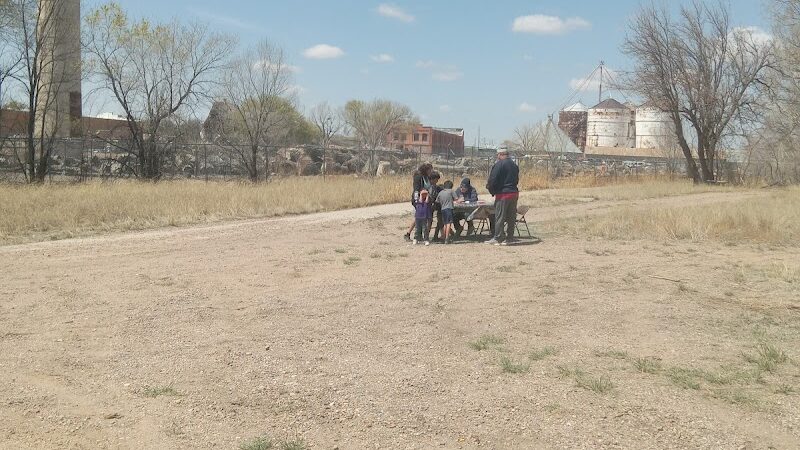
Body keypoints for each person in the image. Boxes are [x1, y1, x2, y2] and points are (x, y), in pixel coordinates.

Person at [485, 147, 520, 246]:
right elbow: (517, 179)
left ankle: (498, 237)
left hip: (503, 194)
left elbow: (493, 179)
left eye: (498, 155)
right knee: (511, 217)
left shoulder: (499, 164)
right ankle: (510, 237)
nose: (497, 157)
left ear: (501, 154)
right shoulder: (514, 165)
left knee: (499, 216)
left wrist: (492, 190)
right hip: (514, 193)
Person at [404, 163, 433, 241]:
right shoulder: (418, 177)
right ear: (426, 170)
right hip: (419, 200)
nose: (431, 171)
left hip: (425, 199)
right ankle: (408, 233)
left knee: (422, 217)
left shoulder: (426, 177)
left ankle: (421, 235)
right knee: (418, 217)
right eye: (430, 169)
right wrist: (417, 201)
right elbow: (416, 190)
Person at [428, 172, 444, 242]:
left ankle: (435, 235)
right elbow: (431, 197)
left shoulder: (435, 187)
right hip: (430, 206)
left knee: (439, 220)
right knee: (429, 221)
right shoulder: (429, 187)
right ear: (432, 179)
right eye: (436, 179)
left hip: (435, 205)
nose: (437, 181)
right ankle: (427, 236)